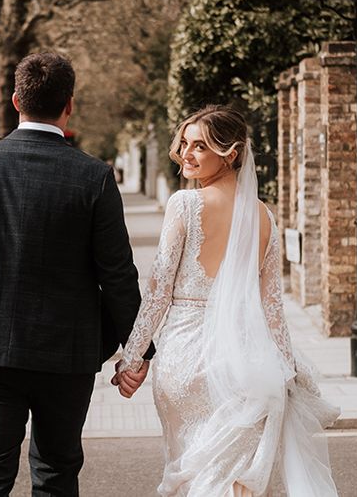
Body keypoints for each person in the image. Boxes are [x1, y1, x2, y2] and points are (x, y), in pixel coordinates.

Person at [0, 51, 152, 496]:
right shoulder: (94, 177)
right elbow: (118, 275)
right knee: (56, 475)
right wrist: (137, 349)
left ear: (15, 100)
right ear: (69, 104)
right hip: (66, 353)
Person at [112, 105, 339, 496]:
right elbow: (272, 313)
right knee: (235, 480)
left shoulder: (184, 205)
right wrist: (285, 371)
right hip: (246, 364)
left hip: (184, 358)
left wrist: (133, 360)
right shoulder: (265, 218)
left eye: (200, 146)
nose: (186, 152)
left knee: (190, 469)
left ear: (230, 153)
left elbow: (158, 291)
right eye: (185, 143)